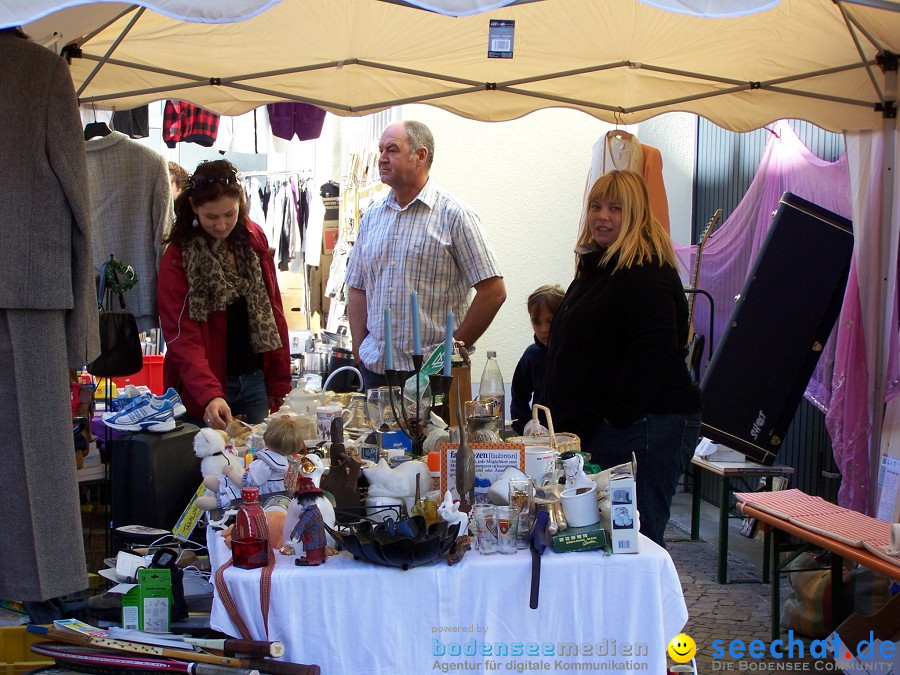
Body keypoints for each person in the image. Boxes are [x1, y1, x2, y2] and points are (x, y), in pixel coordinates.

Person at [542, 170, 701, 548]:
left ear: (636, 216)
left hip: (645, 426)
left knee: (635, 540)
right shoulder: (599, 267)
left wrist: (614, 418)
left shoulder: (647, 274)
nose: (603, 216)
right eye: (596, 206)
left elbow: (654, 354)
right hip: (615, 427)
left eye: (615, 208)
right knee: (607, 538)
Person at [0, 27, 100, 618]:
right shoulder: (40, 69)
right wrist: (80, 331)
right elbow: (77, 198)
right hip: (29, 280)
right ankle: (49, 598)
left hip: (31, 280)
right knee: (38, 447)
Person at [345, 120, 506, 390]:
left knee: (437, 435)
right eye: (380, 150)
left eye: (392, 150)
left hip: (433, 375)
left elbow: (494, 291)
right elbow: (358, 287)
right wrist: (359, 346)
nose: (382, 159)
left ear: (420, 156)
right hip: (376, 372)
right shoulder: (372, 216)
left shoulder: (454, 215)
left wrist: (449, 354)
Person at [157, 159, 291, 429]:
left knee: (256, 465)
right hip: (204, 388)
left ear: (240, 204)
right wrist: (209, 393)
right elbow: (182, 335)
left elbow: (273, 311)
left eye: (229, 214)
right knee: (207, 467)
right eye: (211, 216)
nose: (221, 225)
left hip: (254, 381)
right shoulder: (179, 256)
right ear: (194, 207)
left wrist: (278, 379)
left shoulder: (253, 239)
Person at [510, 284, 565, 434]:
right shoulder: (531, 356)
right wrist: (526, 428)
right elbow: (518, 399)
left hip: (578, 438)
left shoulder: (575, 354)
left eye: (550, 320)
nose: (544, 329)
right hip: (541, 441)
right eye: (537, 322)